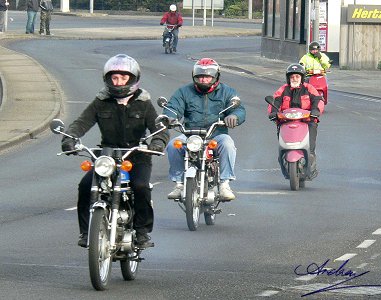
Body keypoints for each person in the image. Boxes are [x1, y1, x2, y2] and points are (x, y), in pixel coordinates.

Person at [61, 54, 170, 248]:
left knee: (141, 186)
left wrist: (158, 143)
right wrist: (69, 138)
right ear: (108, 78)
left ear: (133, 79)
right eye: (114, 78)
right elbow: (81, 122)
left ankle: (142, 232)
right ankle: (87, 232)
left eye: (123, 77)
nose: (118, 82)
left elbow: (159, 129)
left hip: (137, 155)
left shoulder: (143, 102)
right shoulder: (101, 101)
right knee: (86, 186)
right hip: (108, 155)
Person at [163, 58, 246, 201]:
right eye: (200, 76)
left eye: (207, 77)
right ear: (194, 76)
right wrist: (169, 117)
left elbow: (239, 109)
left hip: (216, 134)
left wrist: (234, 116)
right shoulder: (184, 92)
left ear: (216, 77)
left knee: (228, 144)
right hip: (190, 135)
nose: (203, 80)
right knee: (173, 145)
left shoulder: (227, 92)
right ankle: (179, 184)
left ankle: (224, 183)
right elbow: (172, 107)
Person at [268, 63, 323, 178]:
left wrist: (315, 111)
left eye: (297, 76)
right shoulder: (283, 89)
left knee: (312, 137)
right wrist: (273, 112)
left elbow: (318, 100)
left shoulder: (309, 88)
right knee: (282, 141)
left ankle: (311, 157)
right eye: (292, 77)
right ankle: (283, 156)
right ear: (288, 78)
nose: (294, 79)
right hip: (286, 122)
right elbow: (275, 101)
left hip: (307, 121)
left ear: (302, 78)